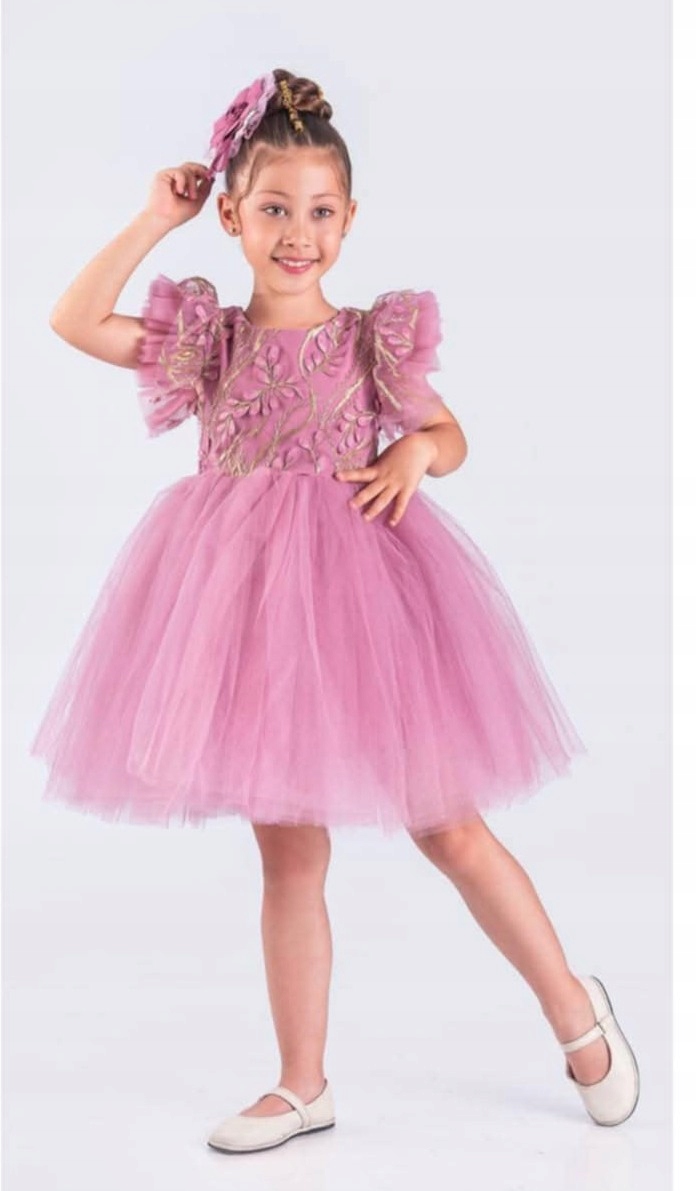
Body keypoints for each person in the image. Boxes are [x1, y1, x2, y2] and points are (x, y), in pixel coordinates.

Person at [30, 67, 639, 1152]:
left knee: (448, 825)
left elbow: (449, 436)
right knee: (290, 853)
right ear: (232, 217)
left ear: (350, 219)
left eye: (318, 212)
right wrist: (154, 218)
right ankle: (302, 1083)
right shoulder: (209, 342)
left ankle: (577, 1010)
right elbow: (72, 320)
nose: (297, 234)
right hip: (249, 617)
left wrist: (414, 453)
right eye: (273, 209)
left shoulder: (369, 341)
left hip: (370, 613)